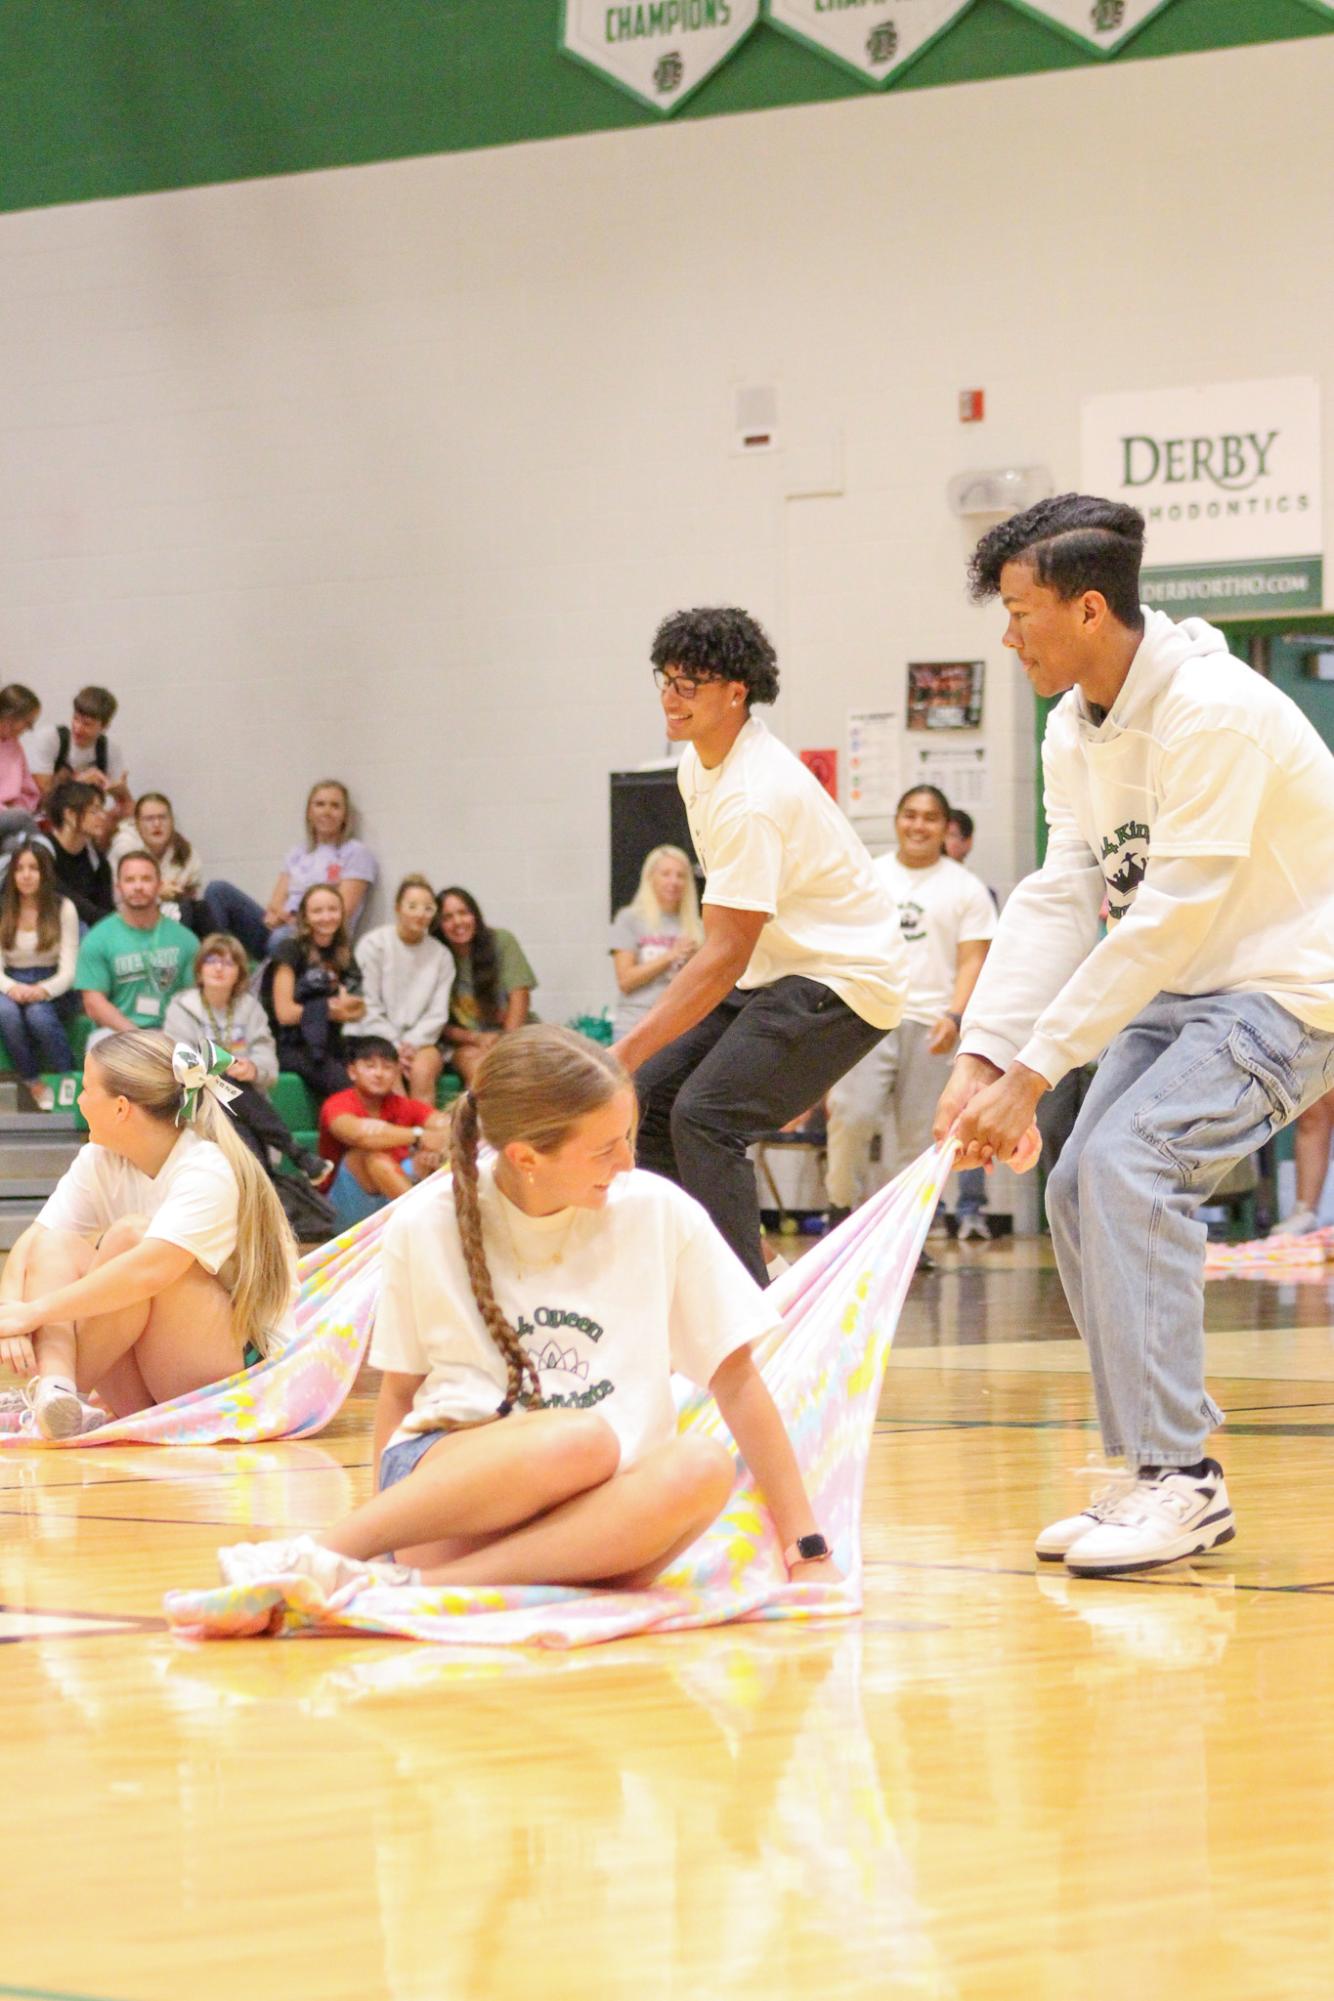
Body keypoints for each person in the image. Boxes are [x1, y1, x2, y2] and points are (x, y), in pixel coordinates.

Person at [933, 493, 1334, 1577]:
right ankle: (1153, 1475)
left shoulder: (1210, 710)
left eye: (1020, 613)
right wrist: (983, 1052)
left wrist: (1031, 1071)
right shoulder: (1074, 725)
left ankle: (1183, 1481)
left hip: (1285, 987)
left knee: (1129, 1160)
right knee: (1073, 1185)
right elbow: (1065, 889)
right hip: (1182, 985)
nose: (1007, 635)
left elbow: (1168, 916)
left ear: (1089, 607)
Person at [216, 1026, 839, 1596]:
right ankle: (312, 1558)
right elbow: (400, 1394)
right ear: (526, 1158)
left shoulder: (658, 1210)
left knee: (702, 1465)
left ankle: (427, 1590)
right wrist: (377, 1538)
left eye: (626, 1138)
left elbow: (737, 1381)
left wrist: (806, 1546)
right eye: (604, 1149)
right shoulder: (426, 1220)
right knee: (580, 1439)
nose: (627, 1162)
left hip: (593, 1516)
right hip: (453, 1496)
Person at [616, 608, 906, 1287]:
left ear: (736, 691)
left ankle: (749, 1313)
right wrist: (633, 1060)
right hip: (779, 969)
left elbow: (724, 954)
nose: (671, 696)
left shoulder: (753, 794)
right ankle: (748, 1274)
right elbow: (731, 944)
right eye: (666, 678)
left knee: (706, 1116)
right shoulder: (698, 766)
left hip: (843, 979)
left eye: (691, 683)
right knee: (649, 1097)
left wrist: (625, 1045)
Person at [0, 1030, 298, 1439]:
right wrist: (10, 1311)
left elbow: (150, 1271)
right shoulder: (100, 1159)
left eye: (87, 1090)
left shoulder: (206, 1166)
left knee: (130, 1238)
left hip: (231, 1383)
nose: (79, 1101)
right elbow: (35, 1240)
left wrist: (34, 1313)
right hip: (149, 1381)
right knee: (55, 1245)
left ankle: (58, 1394)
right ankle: (56, 1393)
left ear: (121, 1108)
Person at [825, 785, 994, 1226]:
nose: (919, 825)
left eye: (930, 818)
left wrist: (955, 1016)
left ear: (945, 828)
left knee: (918, 1139)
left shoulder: (966, 888)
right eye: (910, 815)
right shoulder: (869, 876)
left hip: (930, 1026)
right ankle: (840, 1209)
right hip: (867, 1018)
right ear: (897, 820)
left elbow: (973, 958)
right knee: (851, 1114)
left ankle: (904, 1233)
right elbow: (843, 945)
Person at [164, 933, 332, 1192]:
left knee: (238, 1122)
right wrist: (221, 1066)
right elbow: (180, 1060)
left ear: (240, 974)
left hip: (242, 1107)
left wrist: (252, 1069)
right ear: (199, 970)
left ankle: (266, 1183)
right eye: (212, 960)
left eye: (229, 963)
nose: (219, 968)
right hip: (196, 1100)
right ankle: (294, 1152)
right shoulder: (182, 1006)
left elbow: (266, 1059)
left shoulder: (250, 1008)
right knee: (222, 1080)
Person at [203, 779, 378, 956]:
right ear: (309, 812)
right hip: (282, 929)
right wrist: (279, 917)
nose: (326, 811)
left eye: (335, 806)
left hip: (318, 941)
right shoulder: (298, 853)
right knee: (217, 890)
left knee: (281, 938)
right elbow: (275, 904)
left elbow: (341, 912)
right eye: (320, 804)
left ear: (345, 815)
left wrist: (292, 920)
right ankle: (219, 960)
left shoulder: (356, 853)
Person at [317, 1035, 450, 1230]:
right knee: (370, 1156)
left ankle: (446, 1223)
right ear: (352, 1072)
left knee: (432, 1158)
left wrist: (433, 1152)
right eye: (370, 1066)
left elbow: (450, 1126)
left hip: (393, 1193)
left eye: (387, 1067)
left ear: (397, 1072)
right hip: (343, 1206)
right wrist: (419, 1136)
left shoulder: (404, 1105)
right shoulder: (337, 1104)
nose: (379, 1074)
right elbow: (359, 1136)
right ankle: (428, 1226)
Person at [943, 807, 1000, 1243]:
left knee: (972, 1116)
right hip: (921, 1019)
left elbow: (988, 966)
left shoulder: (977, 894)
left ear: (967, 843)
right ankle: (928, 1215)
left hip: (969, 1022)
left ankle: (972, 1211)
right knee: (935, 1125)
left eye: (951, 834)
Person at [76, 851, 197, 1043]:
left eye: (146, 879)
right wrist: (139, 1036)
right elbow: (93, 1003)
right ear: (118, 887)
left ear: (159, 885)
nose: (138, 886)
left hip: (172, 1033)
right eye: (130, 880)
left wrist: (169, 1034)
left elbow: (194, 998)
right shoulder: (97, 939)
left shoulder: (186, 940)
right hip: (117, 1034)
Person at [259, 883, 366, 1101]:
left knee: (379, 1061)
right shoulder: (289, 949)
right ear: (305, 917)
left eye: (332, 909)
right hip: (291, 1044)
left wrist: (345, 1009)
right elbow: (285, 1013)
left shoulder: (343, 951)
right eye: (318, 911)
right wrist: (331, 1010)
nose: (326, 917)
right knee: (344, 1087)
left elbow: (358, 1008)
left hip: (330, 1039)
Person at [355, 876, 452, 1103]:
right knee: (389, 1072)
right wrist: (395, 1045)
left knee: (423, 1071)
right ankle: (401, 1136)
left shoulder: (441, 955)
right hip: (376, 1034)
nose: (420, 914)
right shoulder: (374, 944)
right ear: (398, 908)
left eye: (428, 908)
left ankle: (424, 1136)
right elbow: (367, 1004)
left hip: (423, 1040)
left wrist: (412, 1044)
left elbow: (438, 1012)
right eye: (412, 906)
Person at [0, 841, 79, 1107]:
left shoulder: (63, 907)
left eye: (33, 868)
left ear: (45, 873)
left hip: (53, 982)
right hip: (9, 981)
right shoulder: (3, 908)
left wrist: (42, 990)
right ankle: (32, 1081)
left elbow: (68, 970)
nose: (26, 875)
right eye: (19, 868)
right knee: (7, 1013)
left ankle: (70, 1079)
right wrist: (12, 988)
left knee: (38, 1015)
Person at [436, 886, 537, 1088]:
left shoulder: (501, 941)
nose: (457, 922)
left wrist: (507, 1044)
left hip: (514, 1034)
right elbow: (435, 1021)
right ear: (438, 924)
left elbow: (520, 996)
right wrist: (475, 1038)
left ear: (475, 915)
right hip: (467, 1042)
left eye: (463, 913)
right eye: (447, 917)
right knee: (481, 1073)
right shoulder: (436, 955)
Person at [609, 844, 703, 1041]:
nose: (673, 881)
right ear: (650, 877)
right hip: (634, 1025)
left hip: (680, 1027)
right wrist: (670, 956)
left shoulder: (698, 926)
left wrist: (695, 961)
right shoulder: (630, 919)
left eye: (680, 875)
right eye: (666, 874)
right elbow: (625, 981)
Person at [28, 685, 132, 826]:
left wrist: (122, 792)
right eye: (76, 719)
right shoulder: (50, 738)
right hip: (46, 819)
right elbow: (44, 795)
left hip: (87, 822)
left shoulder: (110, 750)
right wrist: (79, 782)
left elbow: (128, 807)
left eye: (87, 724)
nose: (77, 728)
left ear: (104, 727)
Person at [109, 793, 205, 930]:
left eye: (163, 818)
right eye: (149, 819)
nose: (157, 824)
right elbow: (120, 899)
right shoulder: (125, 847)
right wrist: (160, 892)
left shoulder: (184, 850)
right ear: (137, 824)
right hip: (131, 918)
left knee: (209, 901)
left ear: (172, 821)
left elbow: (195, 894)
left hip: (178, 914)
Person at [46, 779, 114, 930]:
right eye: (94, 811)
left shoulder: (96, 859)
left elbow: (106, 906)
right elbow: (62, 896)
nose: (102, 817)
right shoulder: (42, 850)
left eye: (102, 810)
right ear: (69, 814)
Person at [0, 683, 42, 841]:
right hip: (11, 817)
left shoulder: (15, 746)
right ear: (9, 717)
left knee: (16, 845)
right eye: (28, 723)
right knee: (22, 821)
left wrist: (17, 807)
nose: (28, 729)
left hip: (13, 818)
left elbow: (29, 791)